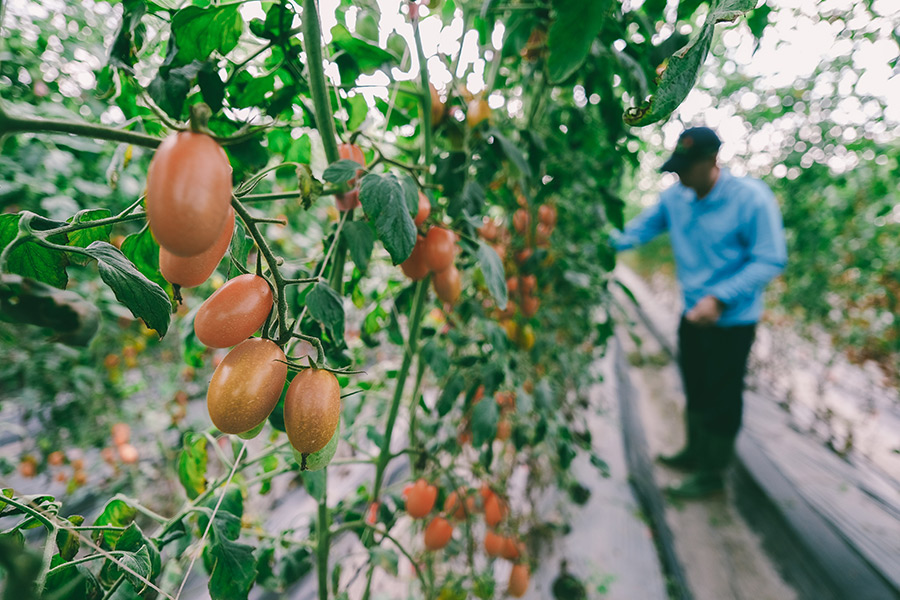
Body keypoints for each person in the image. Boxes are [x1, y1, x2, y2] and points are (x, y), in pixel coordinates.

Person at [612, 126, 787, 498]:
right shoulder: (676, 199)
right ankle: (694, 453)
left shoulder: (751, 200)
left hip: (732, 321)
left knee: (722, 397)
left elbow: (770, 258)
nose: (679, 176)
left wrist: (720, 298)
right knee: (695, 386)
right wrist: (593, 241)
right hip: (692, 315)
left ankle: (713, 476)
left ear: (711, 161)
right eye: (676, 169)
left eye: (685, 168)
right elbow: (636, 232)